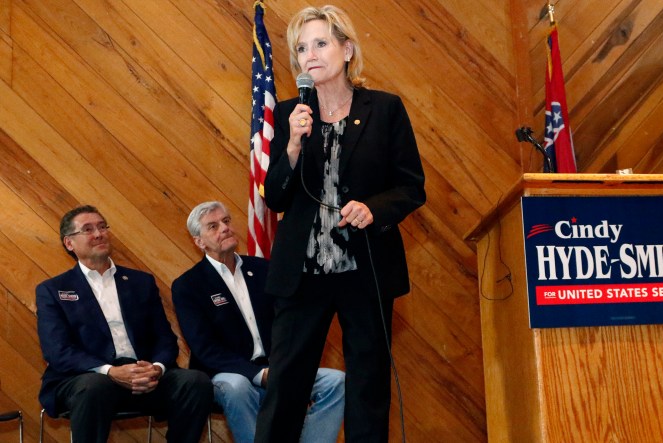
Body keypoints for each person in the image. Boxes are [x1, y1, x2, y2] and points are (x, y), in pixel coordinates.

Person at [256, 5, 426, 442]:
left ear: (347, 49)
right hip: (301, 275)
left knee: (368, 388)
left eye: (321, 43)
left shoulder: (385, 109)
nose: (309, 55)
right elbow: (274, 196)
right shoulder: (289, 113)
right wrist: (292, 145)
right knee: (285, 388)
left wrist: (374, 209)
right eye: (300, 48)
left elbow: (410, 187)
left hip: (364, 270)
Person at [35, 205, 213, 443]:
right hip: (88, 378)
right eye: (88, 229)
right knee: (94, 387)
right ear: (69, 243)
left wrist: (156, 368)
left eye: (101, 227)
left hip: (143, 374)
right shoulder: (53, 290)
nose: (98, 234)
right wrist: (110, 371)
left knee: (195, 382)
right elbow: (57, 351)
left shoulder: (140, 282)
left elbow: (165, 338)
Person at [171, 201, 345, 443]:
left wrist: (282, 365)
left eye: (226, 221)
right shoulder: (188, 285)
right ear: (199, 241)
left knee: (336, 382)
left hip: (276, 367)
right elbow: (205, 348)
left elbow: (288, 323)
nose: (225, 228)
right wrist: (258, 374)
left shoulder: (263, 269)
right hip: (226, 374)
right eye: (213, 226)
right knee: (237, 387)